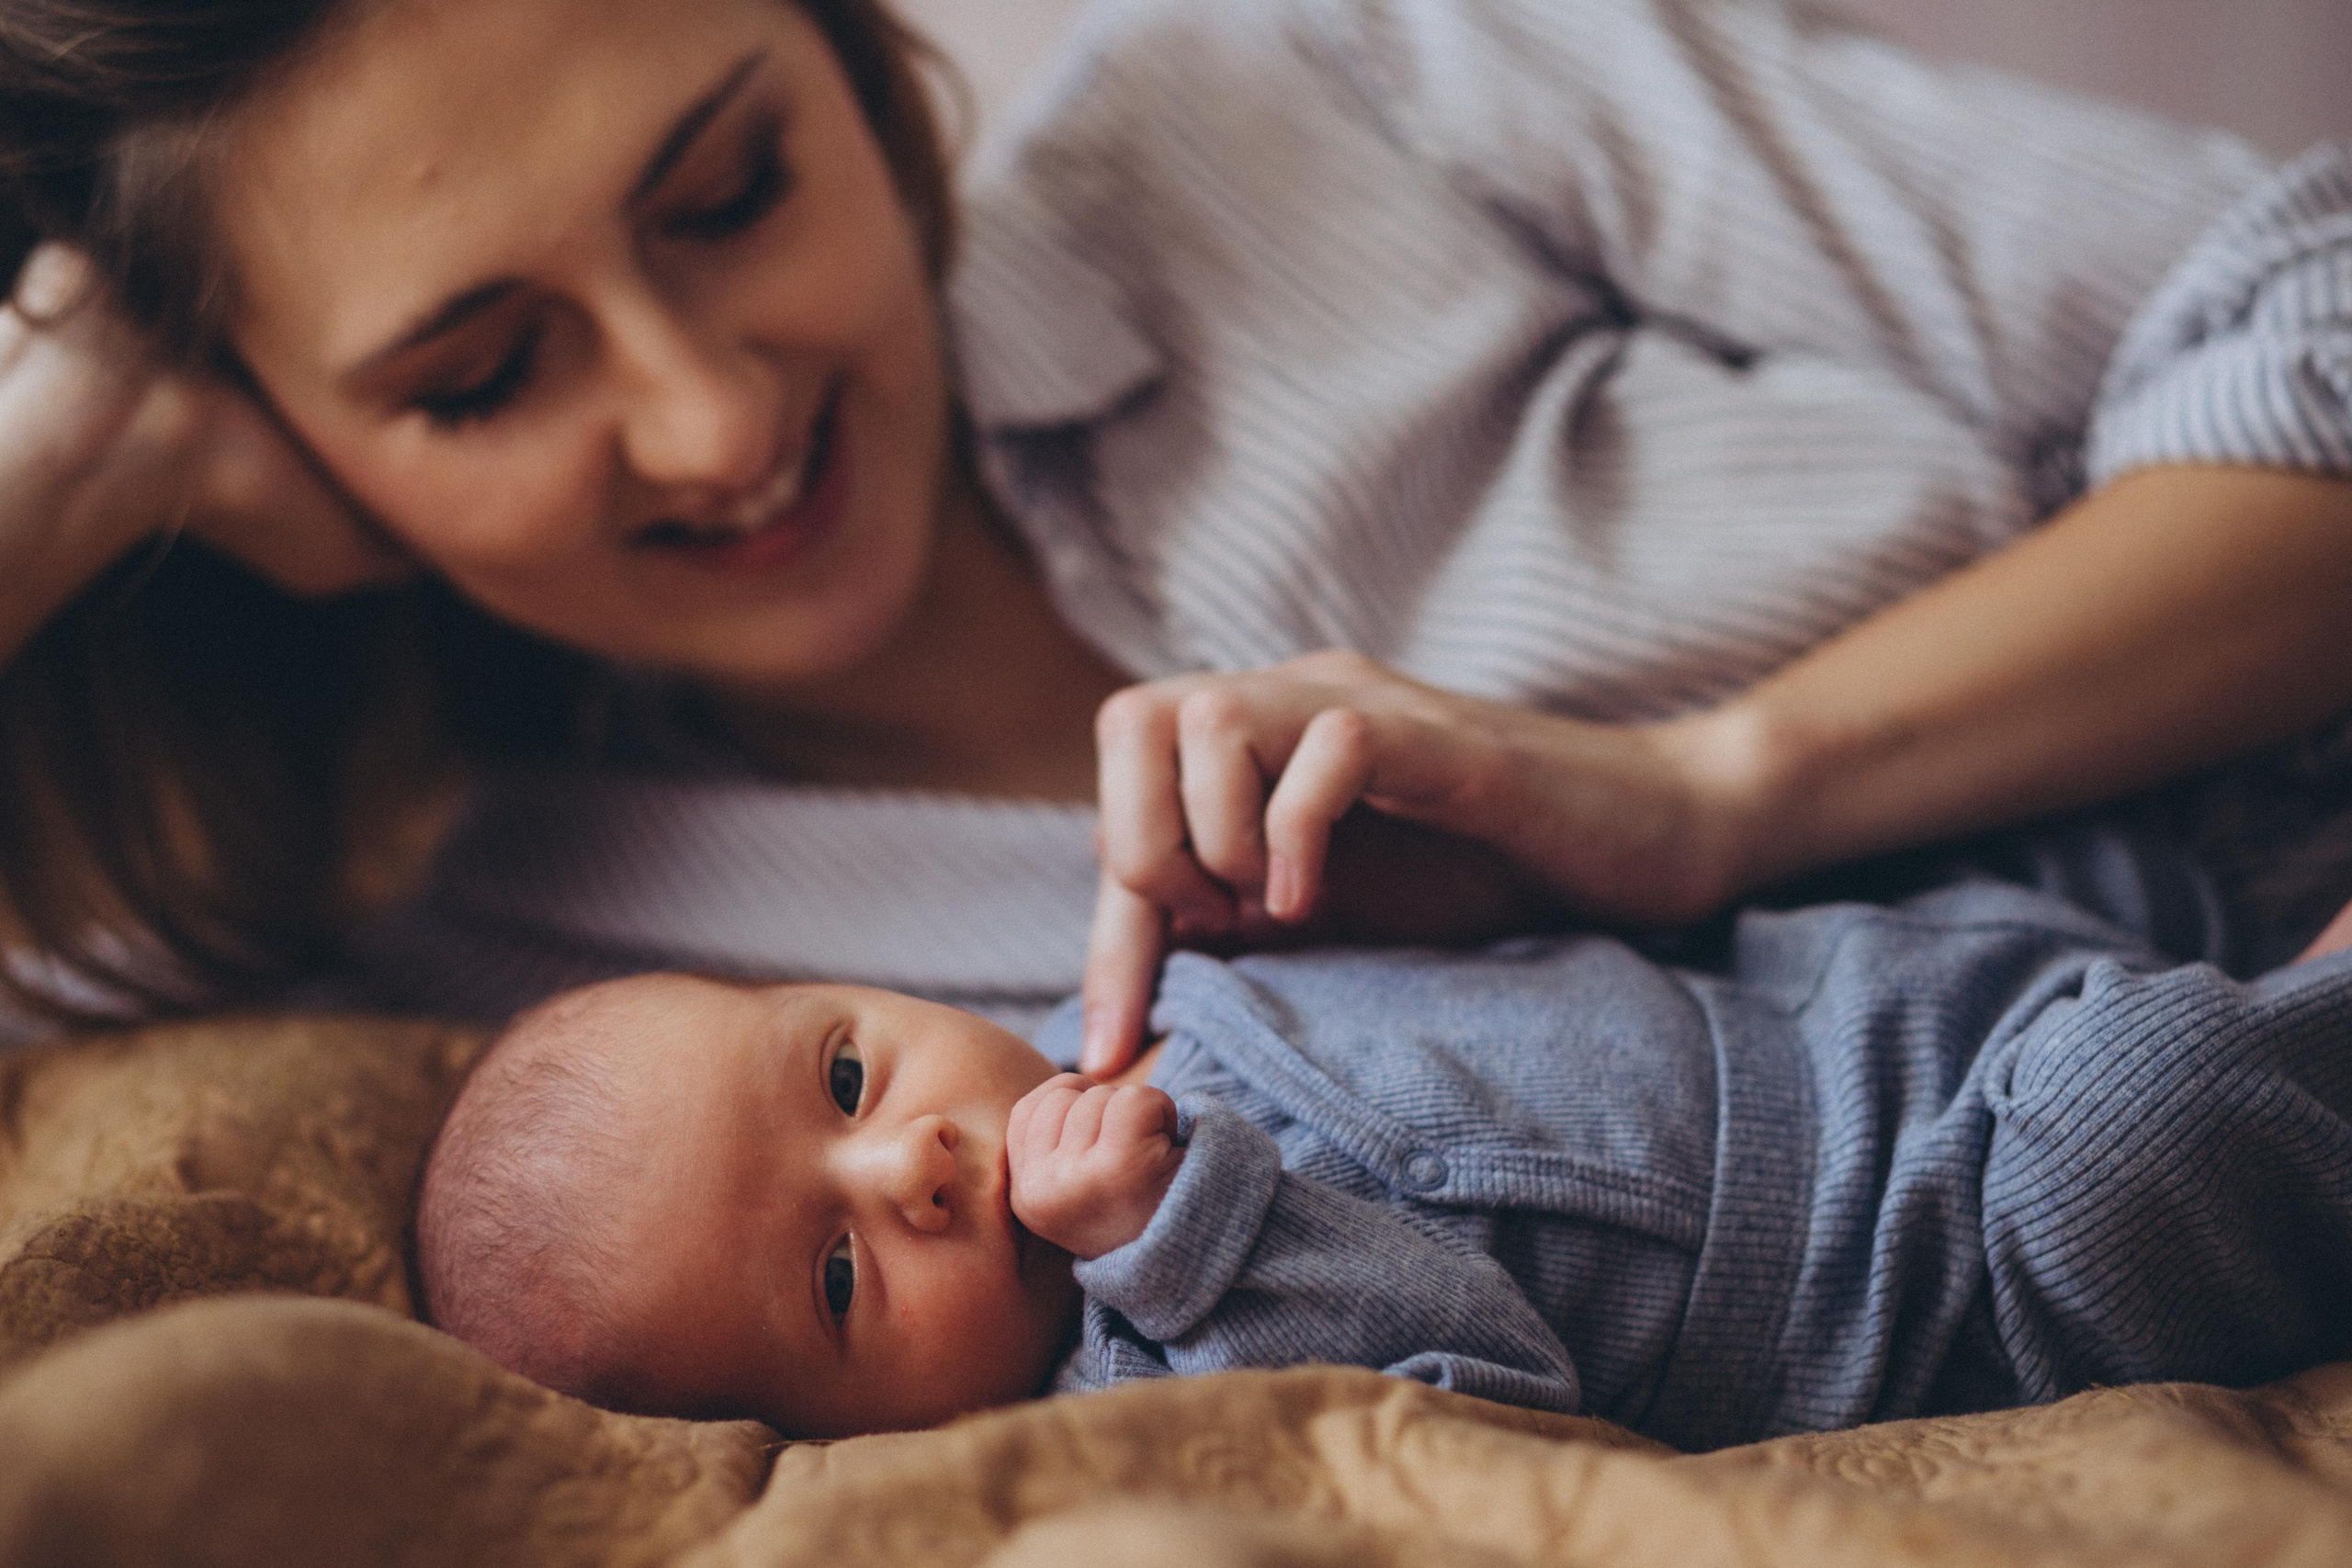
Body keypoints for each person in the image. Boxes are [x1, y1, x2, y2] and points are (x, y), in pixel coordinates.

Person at [2, 0, 2348, 1055]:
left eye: (731, 190)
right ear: (282, 447)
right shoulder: (489, 935)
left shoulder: (1311, 87)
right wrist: (63, 468)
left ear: (850, 65)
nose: (711, 417)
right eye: (477, 373)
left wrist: (1719, 788)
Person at [414, 820, 2352, 1450]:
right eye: (835, 1275)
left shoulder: (1097, 1005)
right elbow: (1481, 1390)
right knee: (2143, 1112)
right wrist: (1178, 1238)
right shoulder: (1142, 1372)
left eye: (839, 1079)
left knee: (2097, 851)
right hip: (1923, 1251)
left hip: (1849, 991)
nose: (906, 1163)